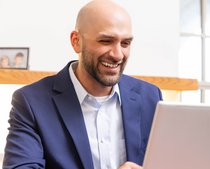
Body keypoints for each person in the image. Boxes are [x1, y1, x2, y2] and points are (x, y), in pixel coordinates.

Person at [3, 0, 162, 169]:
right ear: (76, 41)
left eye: (125, 43)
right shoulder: (30, 103)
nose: (118, 55)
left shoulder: (151, 97)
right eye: (106, 41)